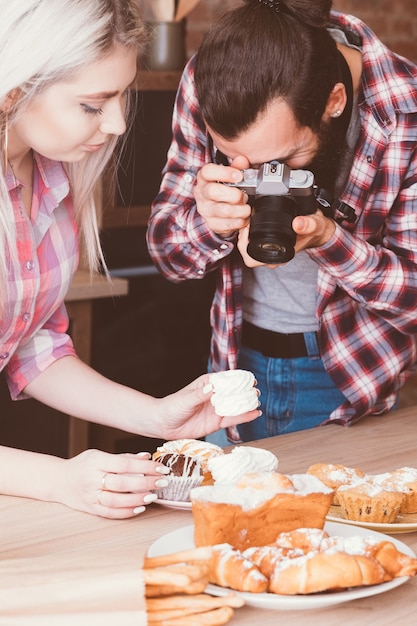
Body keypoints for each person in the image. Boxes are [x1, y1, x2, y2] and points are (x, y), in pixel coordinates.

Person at [0, 0, 260, 519]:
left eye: (122, 96)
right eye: (94, 104)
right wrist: (58, 480)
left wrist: (159, 418)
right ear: (14, 90)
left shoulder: (51, 178)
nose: (118, 123)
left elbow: (33, 347)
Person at [147, 0, 417, 446]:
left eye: (284, 163)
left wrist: (328, 239)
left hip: (351, 381)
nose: (267, 178)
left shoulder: (405, 108)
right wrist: (208, 222)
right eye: (245, 165)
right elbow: (166, 256)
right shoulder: (211, 79)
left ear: (335, 101)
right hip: (232, 362)